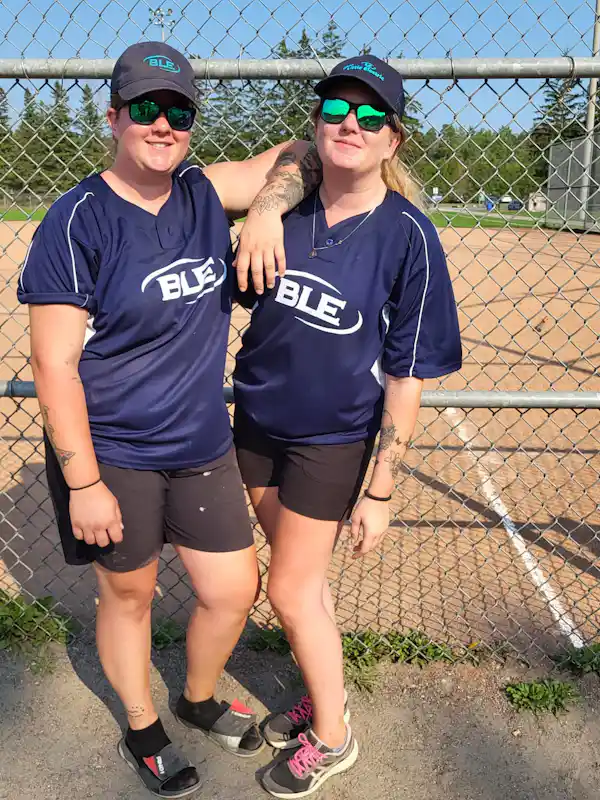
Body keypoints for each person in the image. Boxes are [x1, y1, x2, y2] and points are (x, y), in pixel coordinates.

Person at [17, 41, 321, 799]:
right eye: (145, 108)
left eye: (178, 111)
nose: (162, 124)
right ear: (113, 116)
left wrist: (265, 212)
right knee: (131, 594)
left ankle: (196, 694)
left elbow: (299, 149)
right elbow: (54, 365)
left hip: (199, 444)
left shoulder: (199, 191)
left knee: (231, 590)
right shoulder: (77, 220)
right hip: (112, 450)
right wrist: (83, 482)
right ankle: (144, 723)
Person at [233, 55, 462, 797]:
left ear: (393, 140)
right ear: (315, 125)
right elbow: (234, 178)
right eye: (336, 113)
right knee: (307, 585)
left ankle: (333, 736)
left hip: (331, 440)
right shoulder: (286, 206)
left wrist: (383, 486)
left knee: (291, 591)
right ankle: (321, 690)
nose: (350, 127)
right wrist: (265, 207)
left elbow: (408, 372)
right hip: (257, 421)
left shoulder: (408, 235)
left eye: (370, 118)